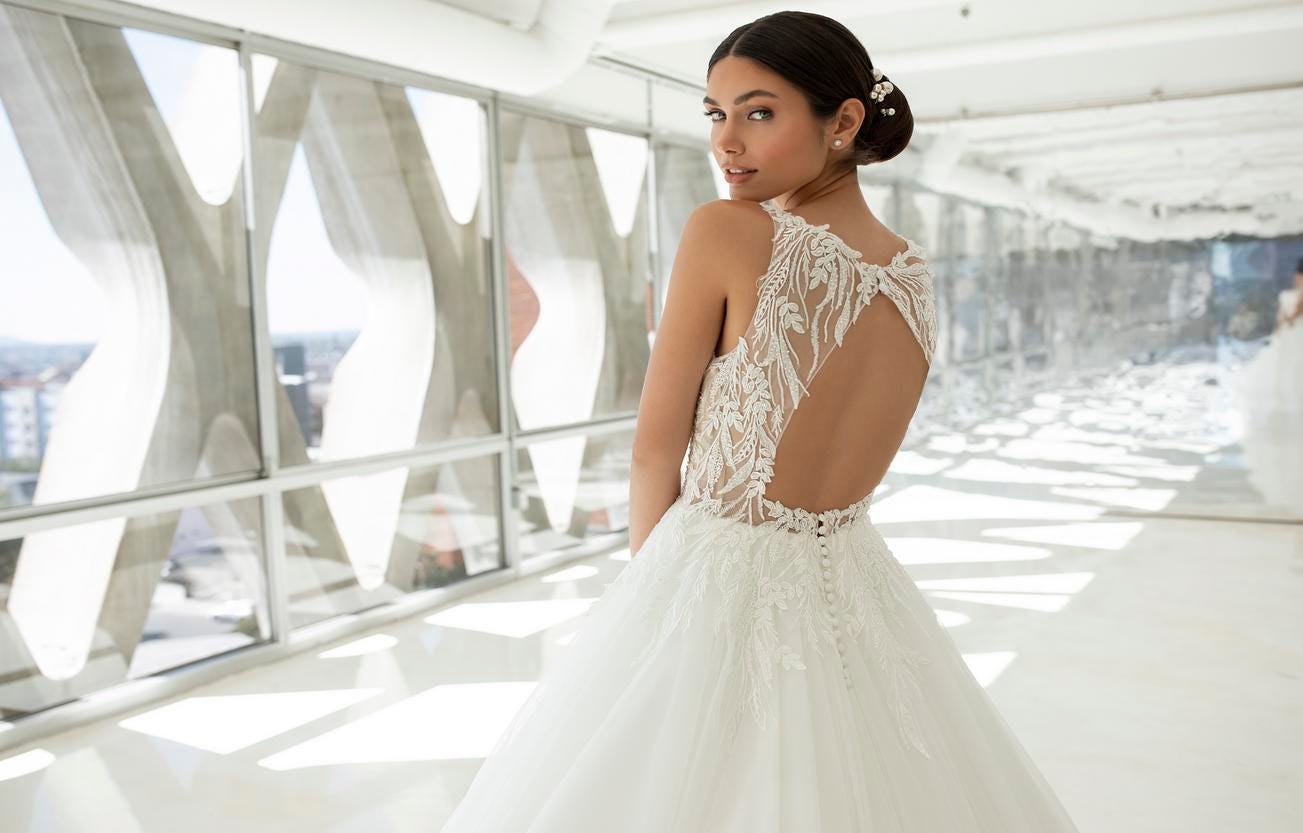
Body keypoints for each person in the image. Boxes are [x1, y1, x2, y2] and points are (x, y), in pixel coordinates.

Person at [439, 11, 1081, 831]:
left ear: (844, 121)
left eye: (758, 111)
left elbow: (652, 451)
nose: (726, 141)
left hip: (714, 570)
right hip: (853, 583)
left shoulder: (728, 233)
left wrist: (648, 604)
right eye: (715, 114)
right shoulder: (912, 274)